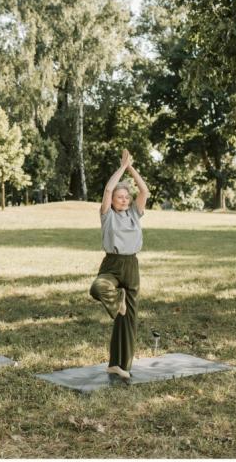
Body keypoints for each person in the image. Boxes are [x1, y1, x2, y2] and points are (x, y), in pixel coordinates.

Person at [89, 149, 150, 379]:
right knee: (98, 287)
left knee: (129, 321)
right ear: (112, 200)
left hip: (131, 265)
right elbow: (107, 188)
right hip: (112, 265)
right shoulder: (107, 215)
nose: (123, 199)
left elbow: (144, 190)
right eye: (119, 197)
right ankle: (118, 301)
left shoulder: (135, 213)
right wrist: (122, 168)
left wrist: (131, 167)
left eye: (126, 196)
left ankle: (119, 365)